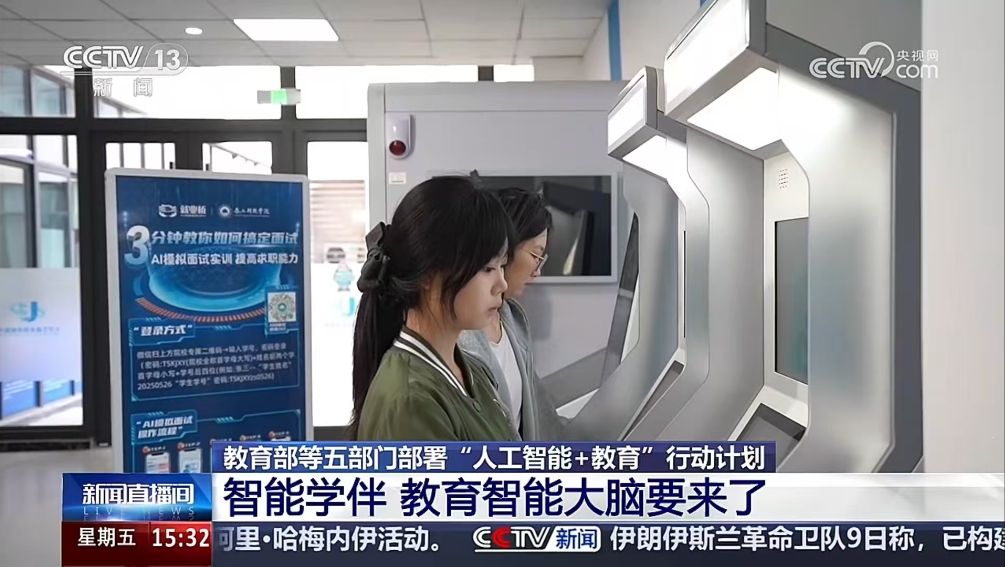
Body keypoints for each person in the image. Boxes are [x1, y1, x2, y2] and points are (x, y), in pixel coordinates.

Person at [348, 176, 520, 442]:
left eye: (502, 266)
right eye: (487, 268)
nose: (502, 284)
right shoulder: (410, 400)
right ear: (429, 274)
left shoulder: (473, 370)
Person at [459, 187, 574, 440]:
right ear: (505, 247)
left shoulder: (513, 319)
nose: (537, 271)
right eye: (535, 255)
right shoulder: (457, 332)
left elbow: (539, 415)